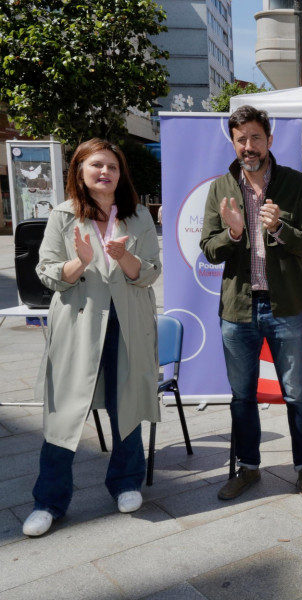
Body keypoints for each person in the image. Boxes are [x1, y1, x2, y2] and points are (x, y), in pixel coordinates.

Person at [23, 139, 161, 537]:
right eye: (97, 165)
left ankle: (126, 482)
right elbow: (47, 274)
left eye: (113, 167)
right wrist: (79, 262)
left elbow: (150, 272)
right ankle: (48, 501)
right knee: (63, 412)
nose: (105, 173)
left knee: (127, 403)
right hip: (78, 325)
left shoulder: (137, 217)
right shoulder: (63, 216)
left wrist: (124, 257)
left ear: (122, 174)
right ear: (80, 171)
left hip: (129, 322)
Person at [200, 105, 302, 501]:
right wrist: (233, 233)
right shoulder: (220, 188)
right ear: (233, 144)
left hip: (284, 306)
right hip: (238, 311)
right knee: (242, 396)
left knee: (296, 393)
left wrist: (280, 228)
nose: (249, 146)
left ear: (269, 140)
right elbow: (208, 249)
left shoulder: (294, 184)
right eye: (241, 140)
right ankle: (247, 468)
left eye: (256, 137)